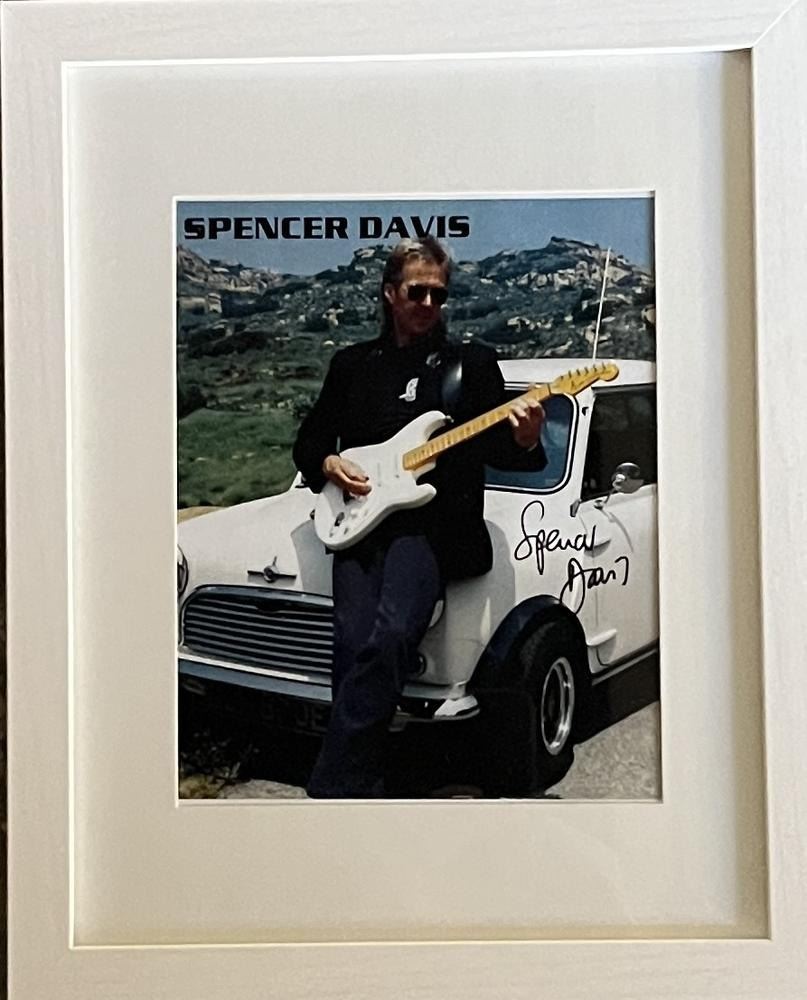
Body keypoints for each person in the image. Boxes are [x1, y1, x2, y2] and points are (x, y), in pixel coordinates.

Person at [293, 237, 546, 797]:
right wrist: (329, 462)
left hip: (431, 528)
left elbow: (498, 450)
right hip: (360, 522)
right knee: (352, 643)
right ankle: (362, 778)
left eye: (439, 294)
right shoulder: (352, 365)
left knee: (391, 637)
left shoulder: (469, 366)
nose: (429, 304)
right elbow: (310, 441)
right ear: (390, 293)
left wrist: (526, 439)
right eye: (417, 292)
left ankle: (332, 783)